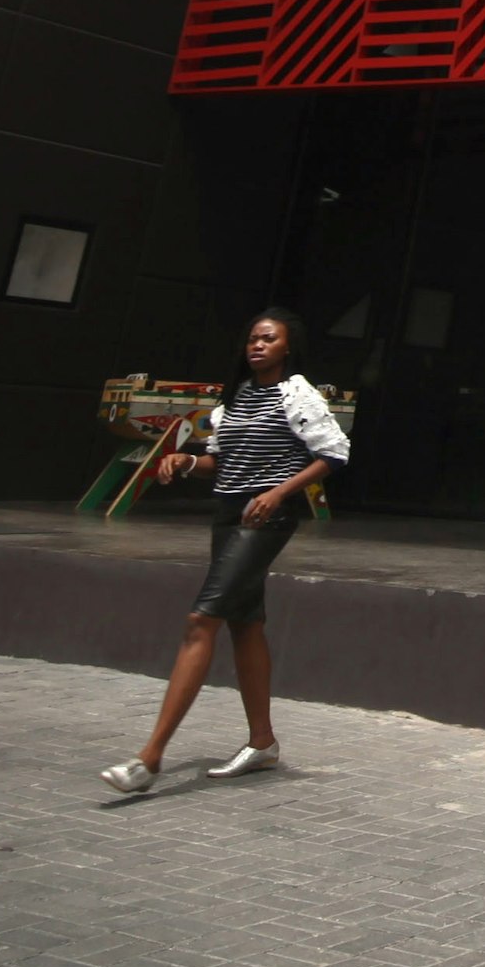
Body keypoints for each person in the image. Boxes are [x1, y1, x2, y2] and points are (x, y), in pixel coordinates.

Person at [100, 307, 349, 793]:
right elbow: (222, 460)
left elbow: (334, 454)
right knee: (244, 623)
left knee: (201, 622)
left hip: (266, 519)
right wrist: (186, 461)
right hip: (227, 516)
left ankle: (148, 759)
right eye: (253, 339)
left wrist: (279, 492)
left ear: (286, 348)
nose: (257, 345)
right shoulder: (234, 400)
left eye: (268, 339)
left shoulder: (296, 392)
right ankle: (263, 743)